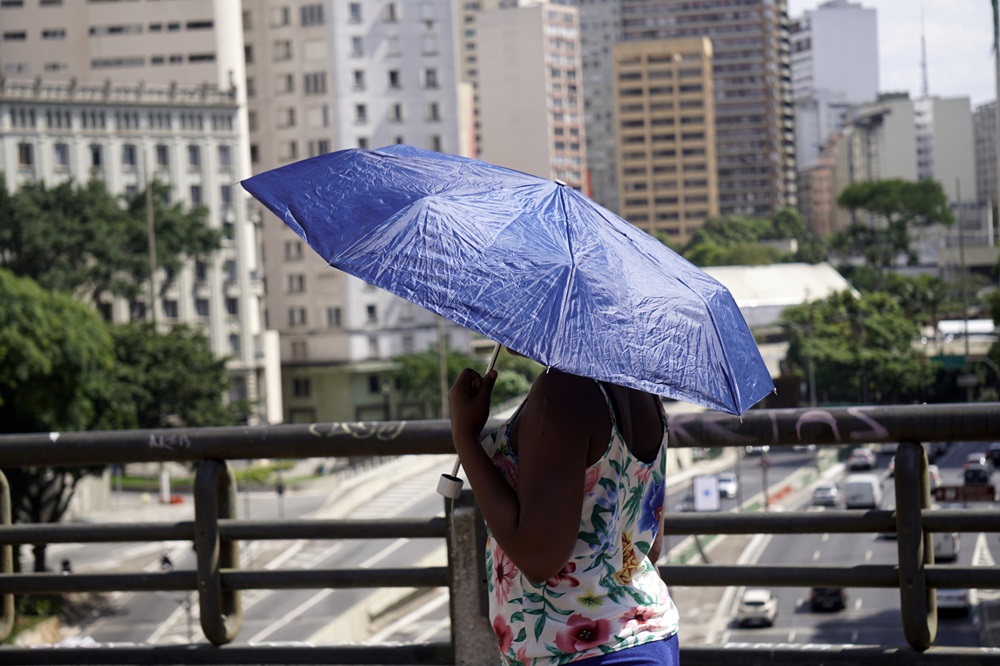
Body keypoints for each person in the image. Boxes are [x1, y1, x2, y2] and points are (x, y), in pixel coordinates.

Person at [449, 351, 679, 665]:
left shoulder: (561, 390)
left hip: (583, 655)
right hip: (647, 637)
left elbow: (539, 558)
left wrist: (464, 437)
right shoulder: (640, 386)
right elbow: (649, 547)